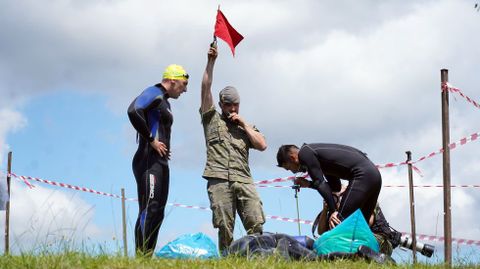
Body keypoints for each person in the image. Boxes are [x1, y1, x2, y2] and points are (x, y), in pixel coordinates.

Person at [200, 43, 267, 252]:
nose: (232, 108)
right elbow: (205, 88)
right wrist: (211, 62)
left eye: (236, 104)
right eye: (228, 105)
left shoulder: (246, 126)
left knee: (255, 221)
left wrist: (244, 124)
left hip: (243, 179)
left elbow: (262, 145)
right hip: (219, 178)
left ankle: (257, 259)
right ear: (221, 104)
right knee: (224, 225)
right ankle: (228, 260)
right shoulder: (211, 119)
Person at [127, 64, 189, 256]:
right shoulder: (154, 92)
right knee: (149, 208)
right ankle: (140, 258)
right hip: (147, 160)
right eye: (183, 84)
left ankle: (147, 256)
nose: (185, 89)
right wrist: (152, 140)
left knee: (159, 212)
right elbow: (133, 111)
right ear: (172, 80)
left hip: (160, 163)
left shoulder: (166, 102)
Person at [276, 143, 382, 229]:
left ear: (292, 157)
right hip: (374, 176)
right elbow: (335, 187)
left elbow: (320, 182)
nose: (293, 172)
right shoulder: (320, 158)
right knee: (361, 226)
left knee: (337, 222)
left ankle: (336, 254)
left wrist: (333, 211)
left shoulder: (305, 153)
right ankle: (362, 254)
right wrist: (308, 184)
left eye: (289, 168)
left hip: (362, 175)